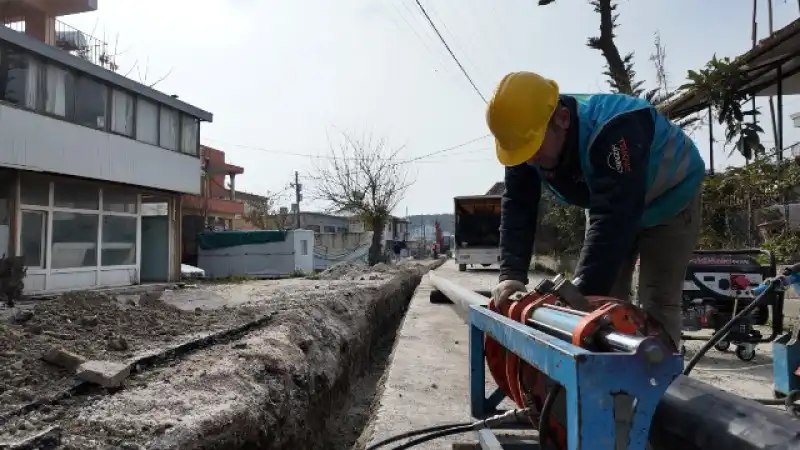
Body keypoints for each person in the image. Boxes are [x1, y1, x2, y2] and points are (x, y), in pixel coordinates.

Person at [485, 71, 706, 347]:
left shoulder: (614, 130)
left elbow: (614, 219)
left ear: (562, 119)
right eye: (522, 152)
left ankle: (661, 378)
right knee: (605, 299)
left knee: (657, 300)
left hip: (671, 198)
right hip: (611, 202)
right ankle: (609, 380)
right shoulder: (524, 139)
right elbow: (518, 206)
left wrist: (577, 299)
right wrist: (511, 276)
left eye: (534, 149)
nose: (529, 160)